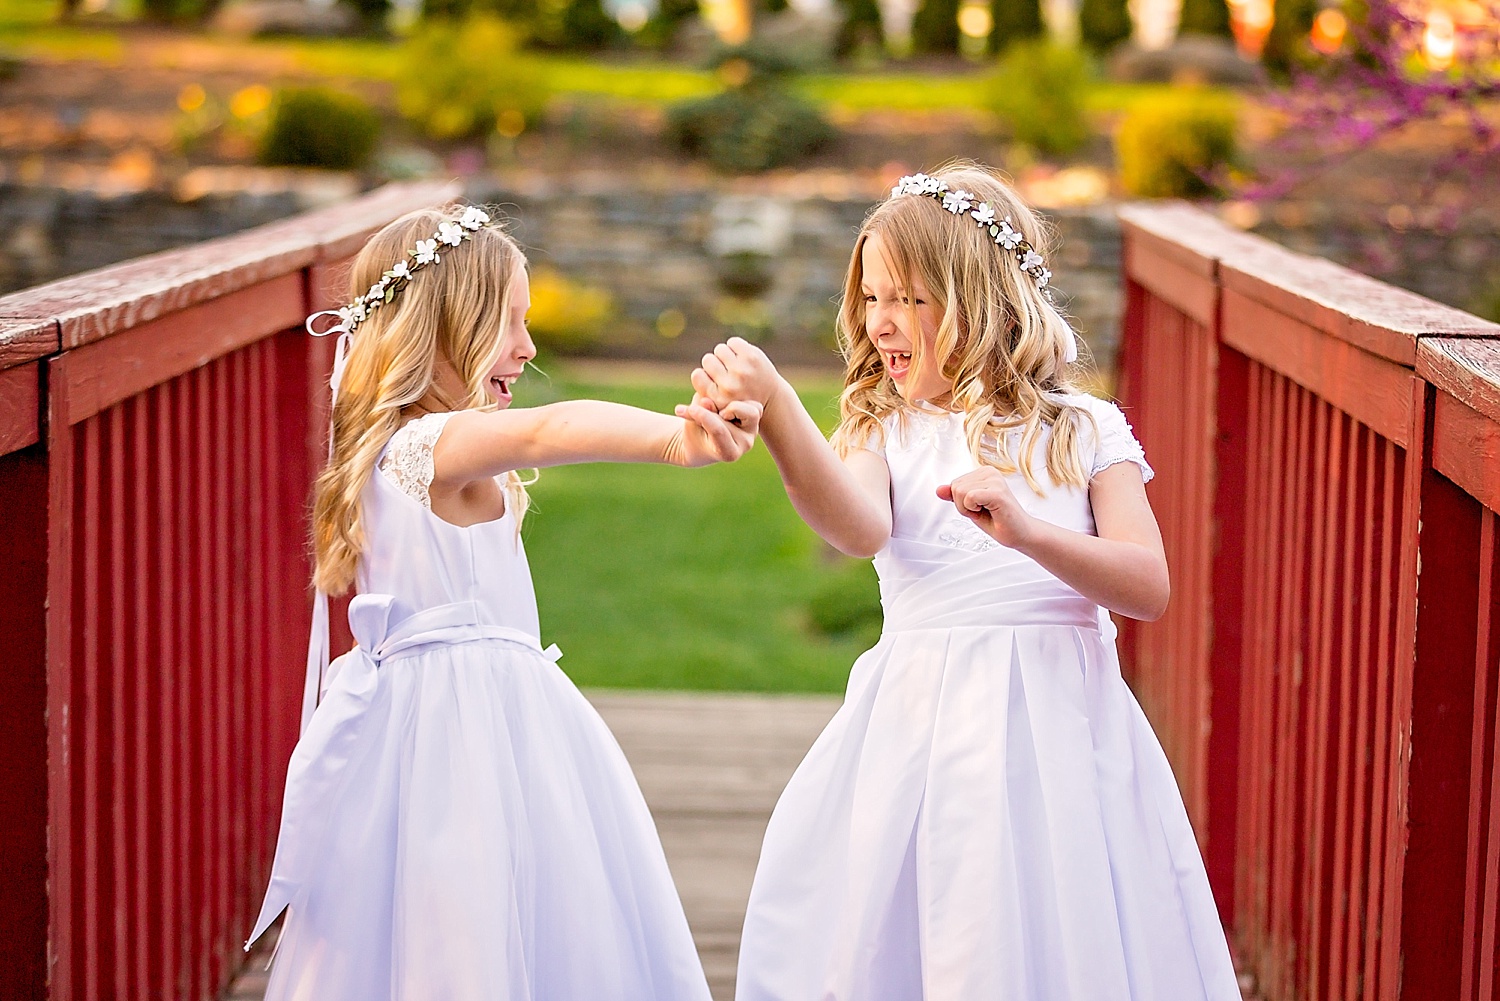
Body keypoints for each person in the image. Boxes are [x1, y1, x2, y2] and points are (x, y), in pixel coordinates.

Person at [695, 164, 1241, 1000]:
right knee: (933, 926)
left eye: (908, 299)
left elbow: (1147, 585)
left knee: (1055, 930)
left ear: (983, 298)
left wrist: (1031, 534)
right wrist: (778, 412)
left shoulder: (1084, 429)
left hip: (1062, 739)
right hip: (923, 734)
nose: (880, 322)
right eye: (871, 298)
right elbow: (855, 524)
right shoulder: (883, 426)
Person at [245, 204, 759, 1001]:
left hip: (448, 729)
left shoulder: (406, 450)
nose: (527, 346)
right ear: (440, 329)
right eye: (506, 322)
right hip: (463, 740)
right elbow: (549, 429)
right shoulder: (423, 445)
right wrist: (674, 438)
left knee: (450, 920)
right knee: (472, 915)